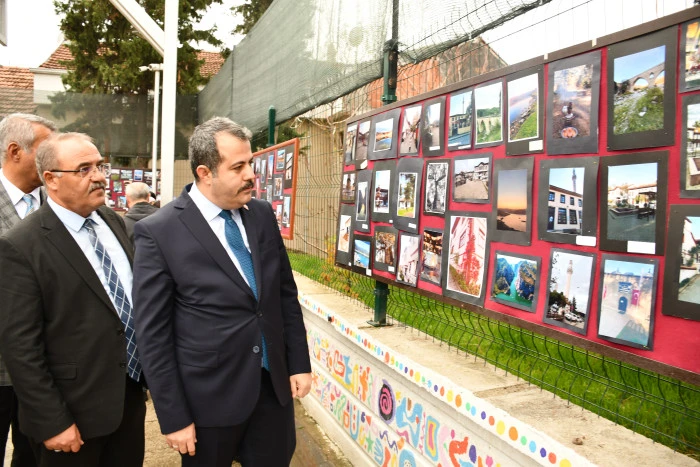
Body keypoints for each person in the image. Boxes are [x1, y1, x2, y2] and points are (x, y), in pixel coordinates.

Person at [132, 117, 311, 466]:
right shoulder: (159, 231)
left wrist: (298, 364)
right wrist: (173, 416)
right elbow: (152, 334)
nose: (251, 175)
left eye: (251, 163)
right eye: (238, 167)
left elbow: (283, 296)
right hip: (207, 402)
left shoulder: (261, 214)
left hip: (271, 391)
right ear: (205, 172)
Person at [0, 133, 146, 467]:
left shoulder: (113, 221)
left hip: (127, 399)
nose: (98, 176)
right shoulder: (21, 245)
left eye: (99, 166)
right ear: (51, 179)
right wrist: (52, 421)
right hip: (71, 416)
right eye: (83, 169)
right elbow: (20, 347)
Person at [0, 113, 57, 467]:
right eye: (44, 149)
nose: (54, 158)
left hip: (46, 369)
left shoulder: (58, 204)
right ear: (14, 151)